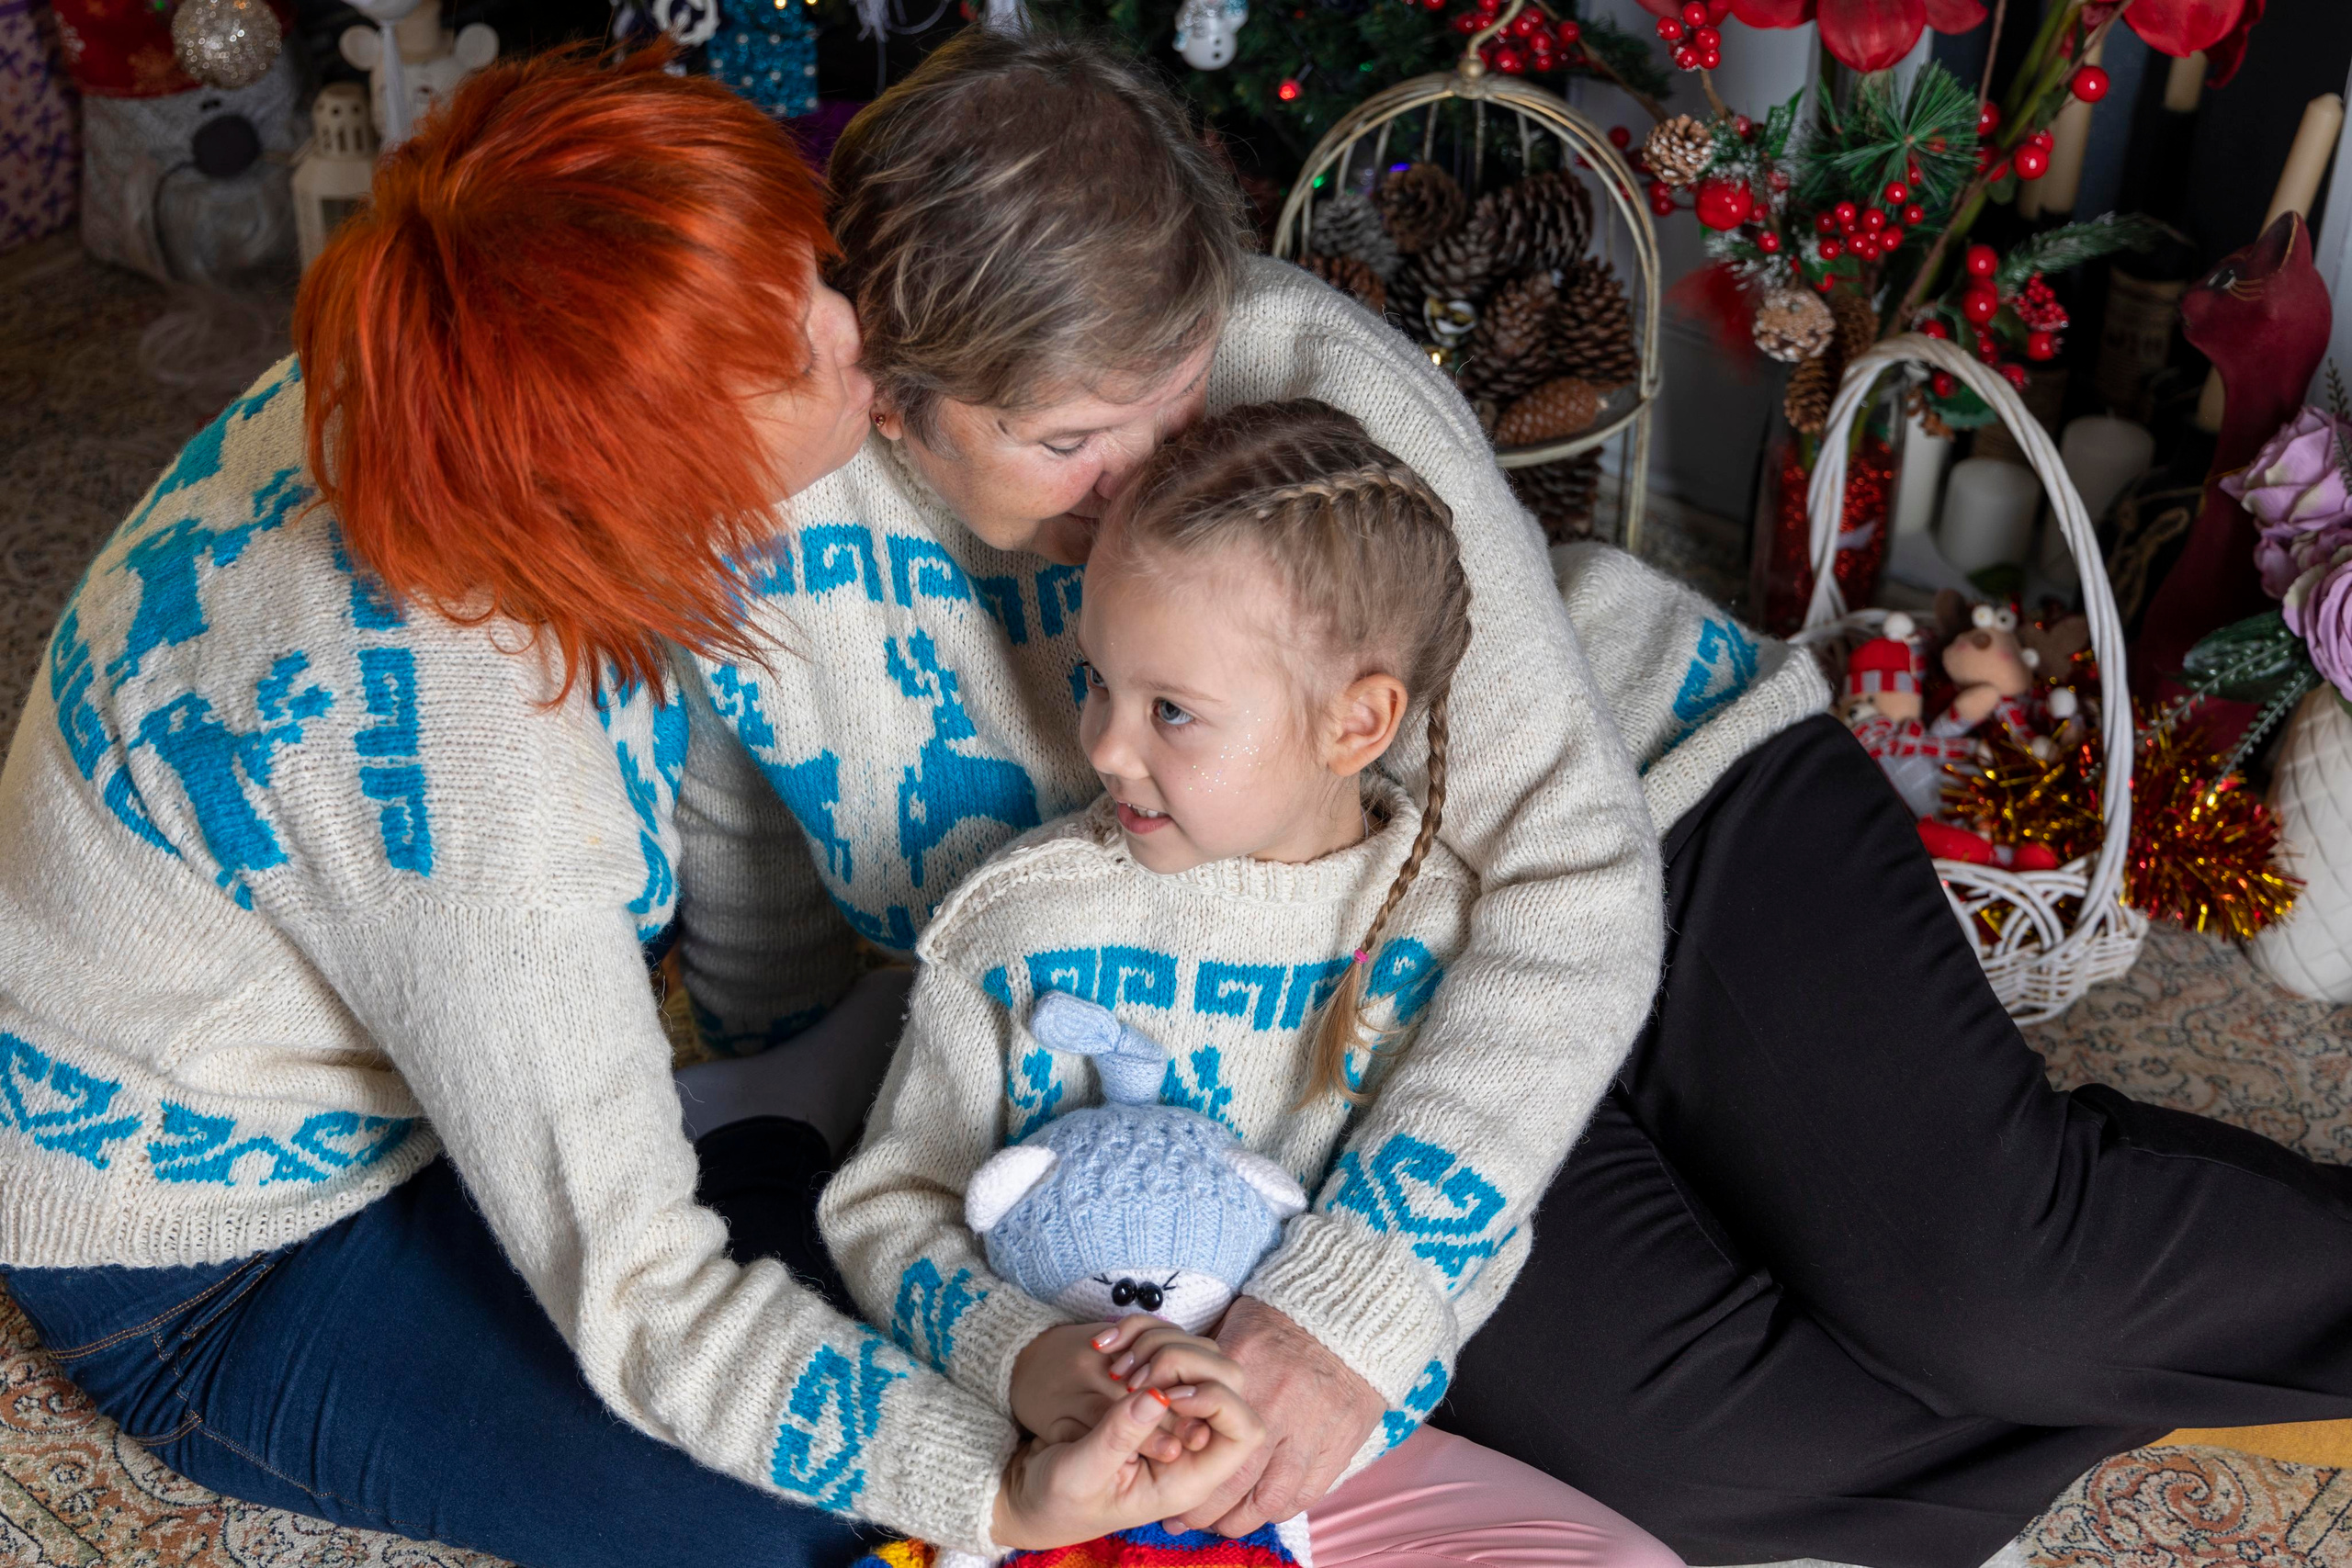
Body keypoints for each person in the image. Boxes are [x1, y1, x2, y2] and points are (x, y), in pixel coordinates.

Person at [672, 29, 2352, 1568]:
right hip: (1345, 1014)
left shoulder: (1295, 363)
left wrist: (1348, 1312)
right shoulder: (757, 493)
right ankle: (2067, 1311)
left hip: (1651, 816)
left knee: (2001, 1287)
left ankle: (2063, 1253)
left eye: (1180, 387)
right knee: (1701, 1477)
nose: (1158, 481)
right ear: (892, 390)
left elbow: (1570, 874)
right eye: (1083, 441)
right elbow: (771, 899)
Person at [0, 47, 1262, 1568]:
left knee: (903, 1265)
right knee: (829, 1507)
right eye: (810, 344)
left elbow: (732, 769)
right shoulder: (479, 784)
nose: (868, 331)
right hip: (205, 1261)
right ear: (668, 470)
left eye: (805, 265)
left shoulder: (462, 355)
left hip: (375, 1040)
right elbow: (646, 1297)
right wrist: (992, 1493)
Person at [817, 399, 1681, 1568]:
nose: (1108, 748)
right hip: (1044, 1472)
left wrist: (1319, 1400)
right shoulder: (1025, 923)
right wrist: (1026, 1360)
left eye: (1171, 711)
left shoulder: (1438, 939)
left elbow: (1463, 1245)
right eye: (1098, 685)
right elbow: (888, 1208)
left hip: (1318, 1471)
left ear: (1356, 721)